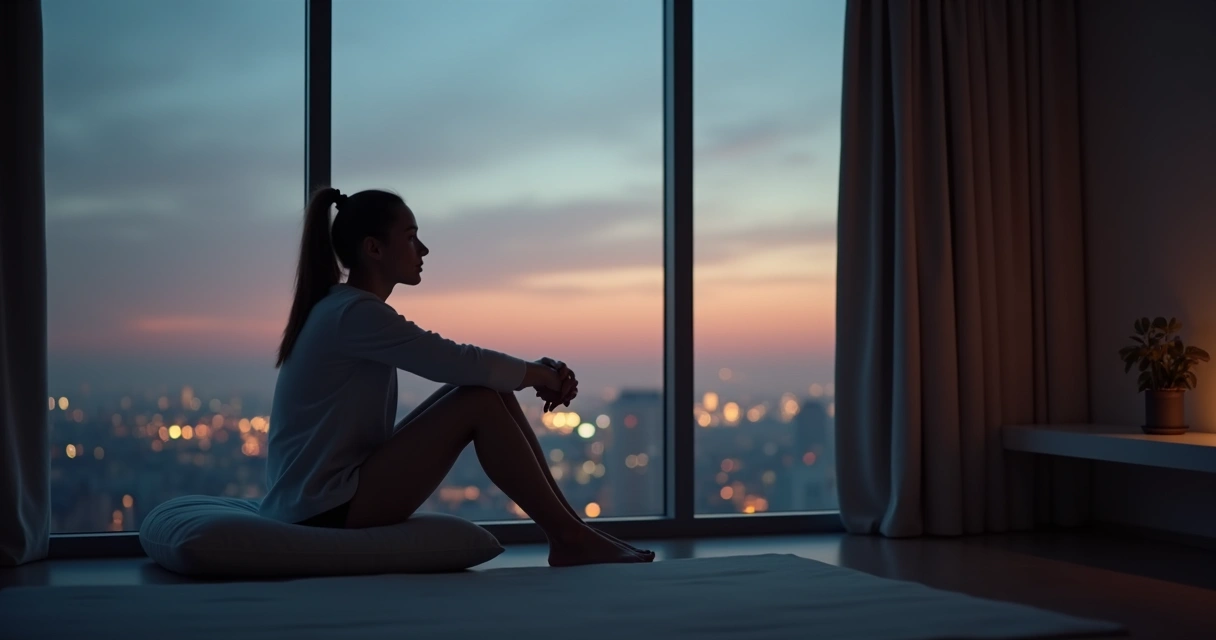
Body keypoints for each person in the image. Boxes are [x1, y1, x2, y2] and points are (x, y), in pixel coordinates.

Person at [259, 187, 653, 567]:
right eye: (411, 237)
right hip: (323, 508)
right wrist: (538, 375)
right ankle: (571, 538)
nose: (424, 249)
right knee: (479, 399)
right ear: (373, 248)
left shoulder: (340, 308)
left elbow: (465, 366)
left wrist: (535, 372)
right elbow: (452, 359)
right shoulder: (354, 314)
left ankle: (574, 534)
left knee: (487, 392)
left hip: (320, 498)